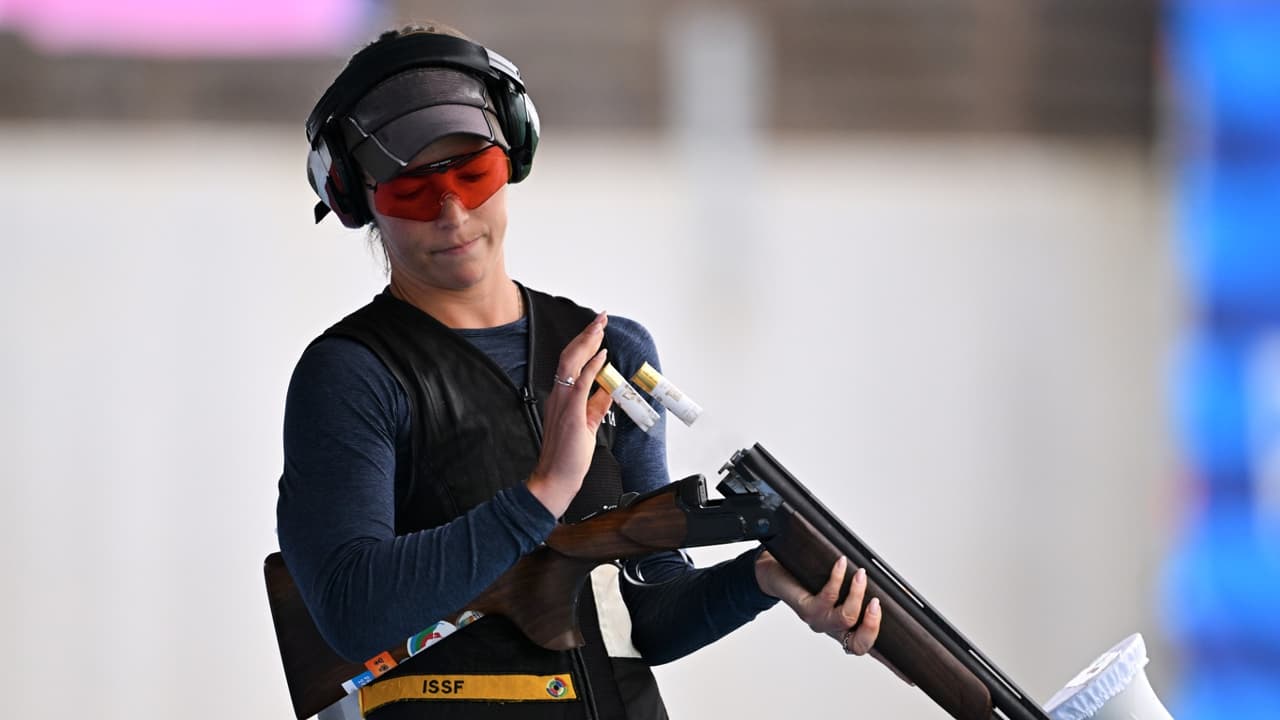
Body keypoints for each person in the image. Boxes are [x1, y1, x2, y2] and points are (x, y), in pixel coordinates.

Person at [277, 21, 881, 720]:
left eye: (474, 174)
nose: (452, 211)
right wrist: (544, 493)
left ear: (514, 157)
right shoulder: (349, 375)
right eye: (412, 192)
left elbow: (648, 618)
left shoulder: (613, 354)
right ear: (360, 201)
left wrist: (764, 578)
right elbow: (353, 614)